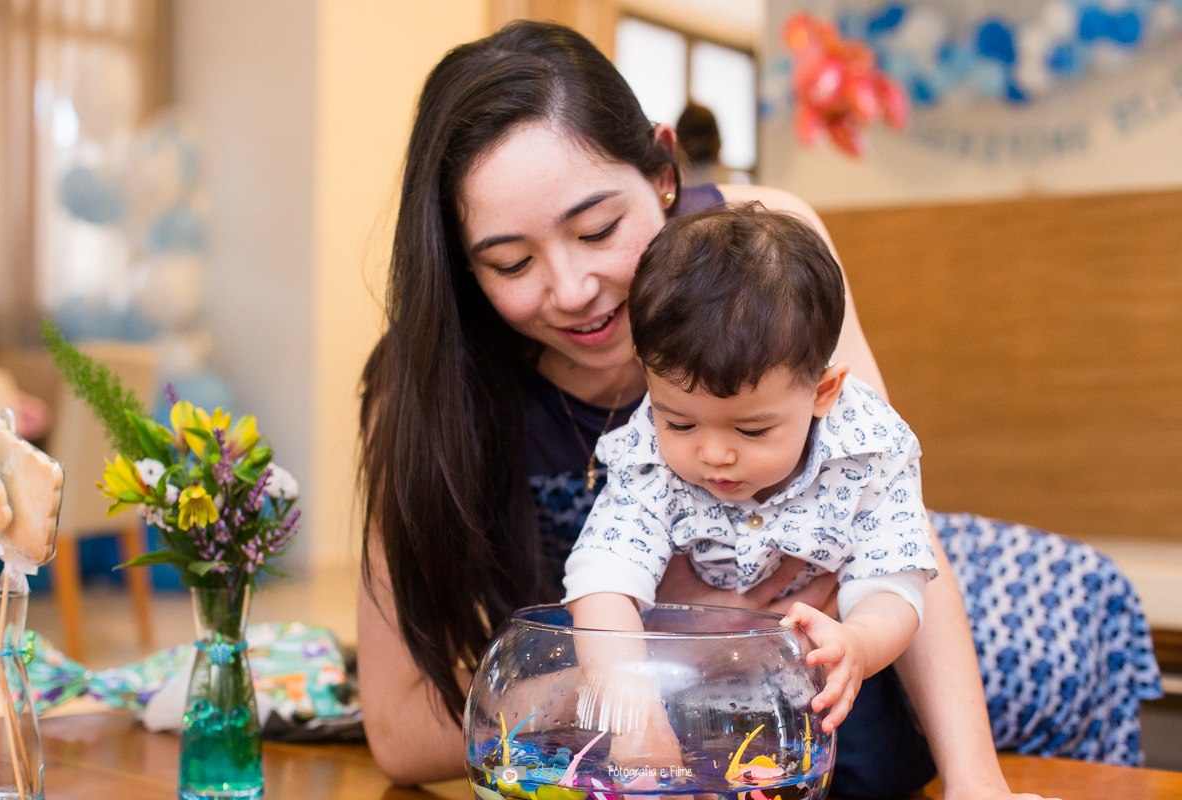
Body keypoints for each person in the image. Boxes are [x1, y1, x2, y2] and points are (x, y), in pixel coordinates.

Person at [357, 18, 1158, 799]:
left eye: (599, 229)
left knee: (1070, 613)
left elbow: (887, 510)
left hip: (845, 602)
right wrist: (688, 638)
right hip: (638, 686)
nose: (571, 291)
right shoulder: (426, 391)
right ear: (462, 267)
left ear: (663, 176)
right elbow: (397, 734)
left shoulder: (766, 259)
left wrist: (976, 781)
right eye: (511, 261)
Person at [564, 205, 937, 769]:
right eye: (681, 424)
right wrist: (634, 712)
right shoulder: (646, 456)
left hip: (831, 690)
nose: (714, 454)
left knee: (879, 769)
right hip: (692, 694)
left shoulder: (870, 448)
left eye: (752, 428)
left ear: (823, 391)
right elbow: (601, 580)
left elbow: (896, 580)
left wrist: (858, 642)